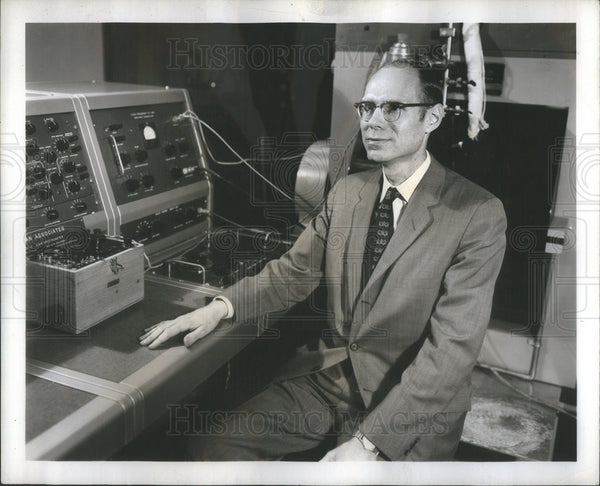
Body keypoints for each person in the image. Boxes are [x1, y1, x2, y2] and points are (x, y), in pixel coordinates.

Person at [139, 61, 507, 461]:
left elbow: (450, 353)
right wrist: (221, 308)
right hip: (333, 380)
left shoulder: (477, 213)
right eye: (367, 108)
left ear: (431, 117)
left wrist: (370, 443)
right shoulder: (349, 192)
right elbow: (292, 273)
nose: (374, 121)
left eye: (393, 108)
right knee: (214, 447)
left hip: (412, 405)